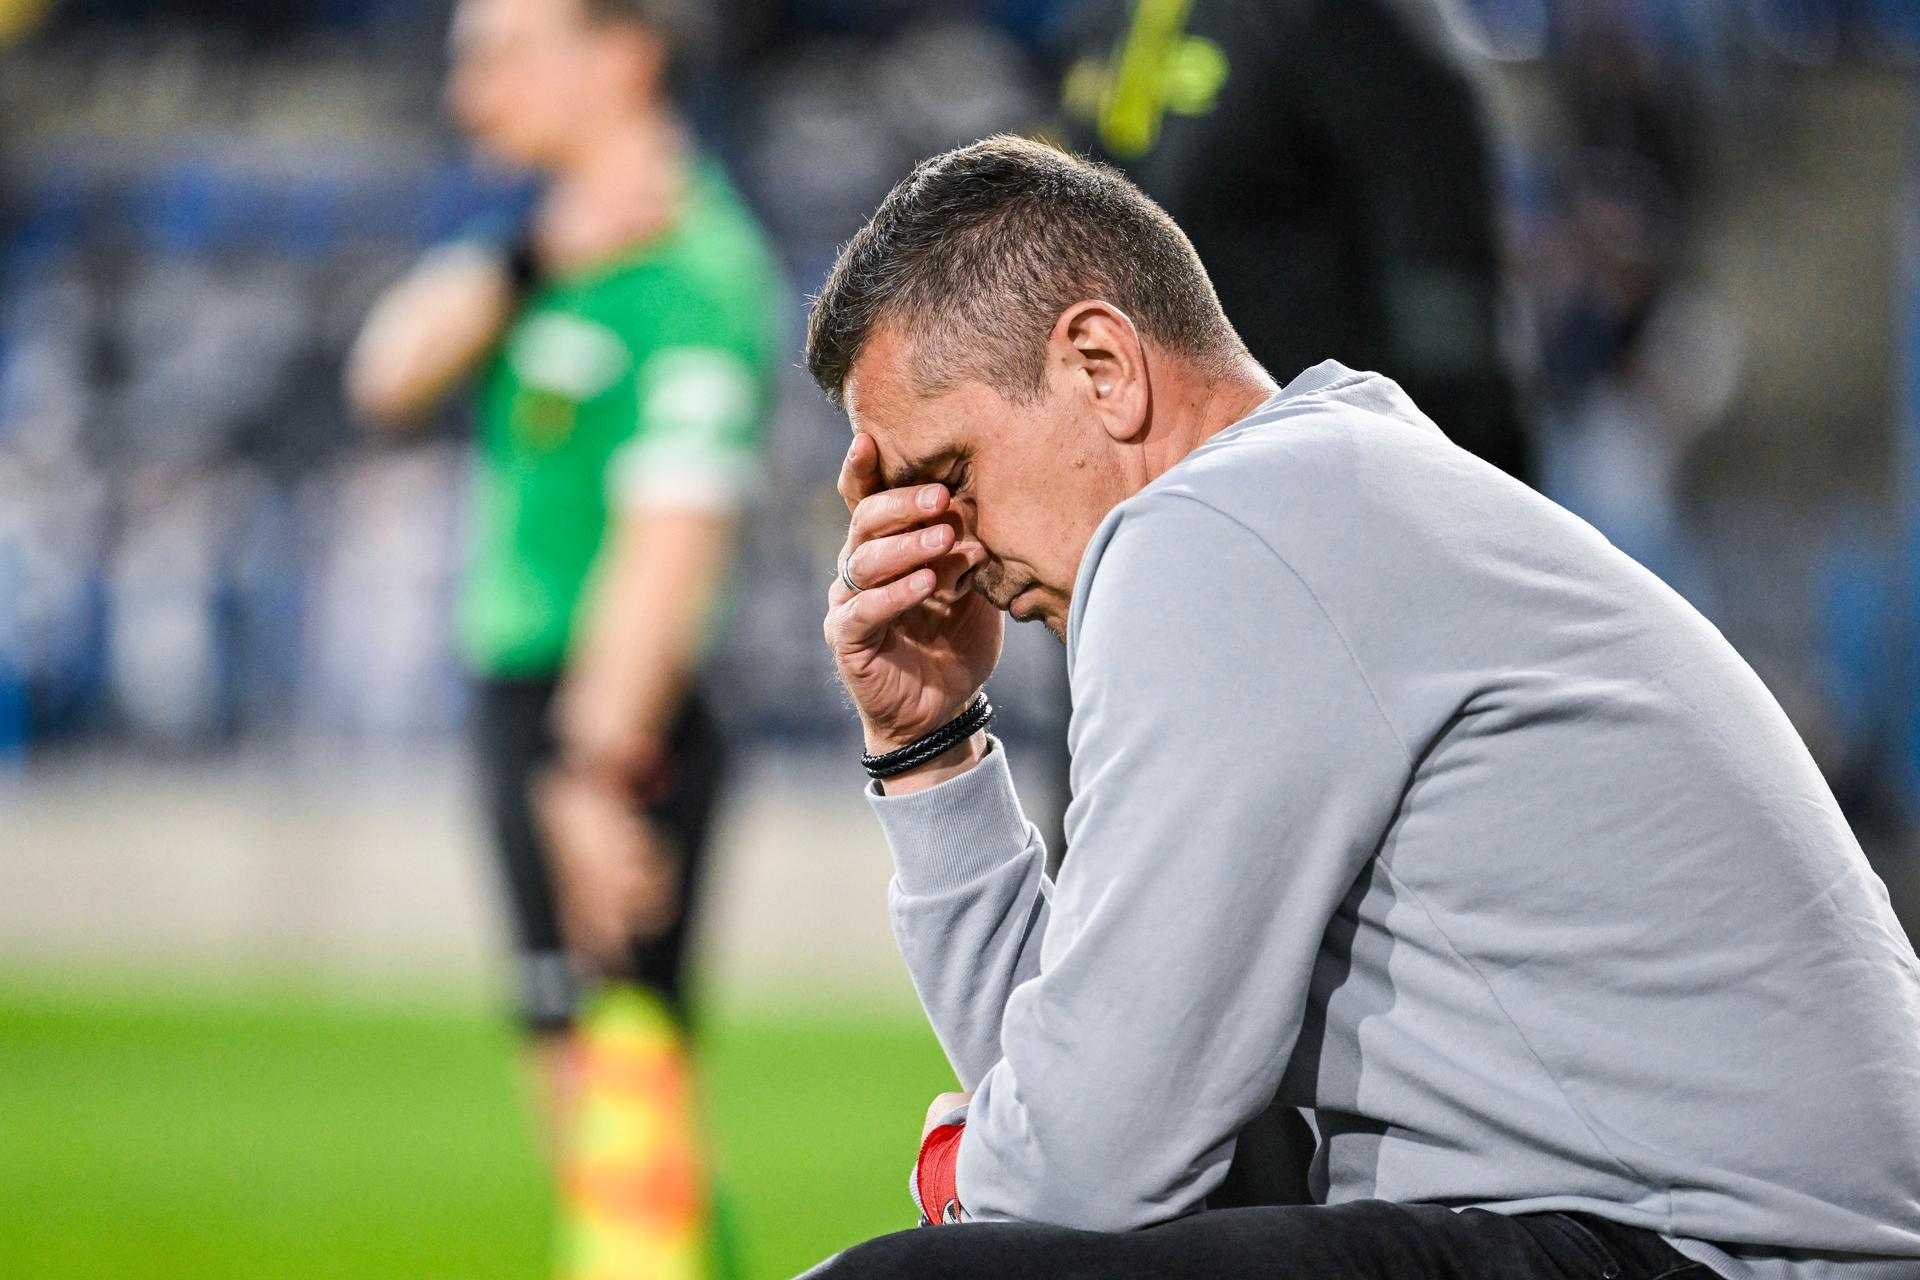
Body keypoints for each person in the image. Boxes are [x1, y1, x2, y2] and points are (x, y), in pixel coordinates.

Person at [798, 136, 1920, 1279]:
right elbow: (1094, 1118)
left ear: (1102, 365)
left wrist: (959, 1171)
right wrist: (929, 740)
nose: (949, 548)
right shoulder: (1310, 496)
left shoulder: (1219, 532)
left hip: (1720, 1251)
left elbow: (1083, 1170)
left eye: (950, 478)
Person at [344, 0, 778, 1186]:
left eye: (504, 55)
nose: (469, 91)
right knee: (595, 1132)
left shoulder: (690, 265)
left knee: (621, 1133)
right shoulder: (543, 249)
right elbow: (383, 373)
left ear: (623, 56)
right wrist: (535, 258)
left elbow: (675, 538)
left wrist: (591, 764)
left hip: (604, 719)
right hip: (536, 709)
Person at [1060, 0, 1533, 483]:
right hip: (1152, 478)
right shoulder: (1106, 21)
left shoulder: (1357, 18)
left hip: (1327, 480)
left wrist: (1477, 480)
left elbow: (1442, 278)